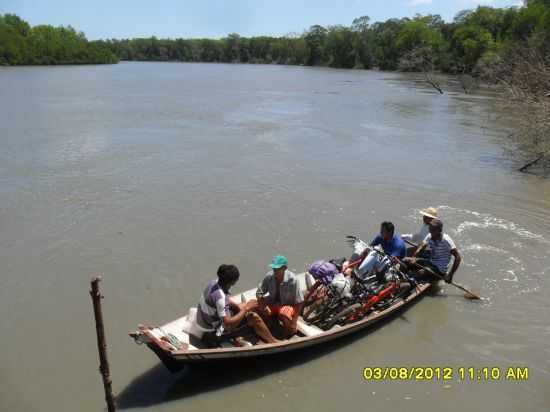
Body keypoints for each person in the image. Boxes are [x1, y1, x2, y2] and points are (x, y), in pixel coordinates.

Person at [246, 255, 305, 343]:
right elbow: (259, 293)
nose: (275, 271)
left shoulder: (293, 280)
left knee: (284, 314)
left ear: (284, 268)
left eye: (277, 269)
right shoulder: (269, 276)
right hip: (273, 302)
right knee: (252, 304)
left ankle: (286, 335)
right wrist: (262, 304)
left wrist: (294, 322)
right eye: (274, 268)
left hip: (287, 305)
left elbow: (299, 302)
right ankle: (269, 324)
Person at [196, 264, 255, 346]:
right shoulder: (221, 298)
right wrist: (246, 309)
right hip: (210, 330)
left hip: (202, 321)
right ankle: (230, 338)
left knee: (238, 311)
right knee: (251, 319)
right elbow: (227, 323)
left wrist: (238, 306)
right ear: (233, 282)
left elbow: (224, 301)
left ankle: (235, 337)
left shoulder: (213, 283)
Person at [404, 218, 462, 283]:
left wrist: (450, 275)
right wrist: (414, 257)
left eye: (433, 230)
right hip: (430, 262)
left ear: (439, 230)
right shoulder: (430, 235)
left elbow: (458, 257)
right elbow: (421, 246)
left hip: (439, 269)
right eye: (430, 229)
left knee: (421, 272)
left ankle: (412, 282)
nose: (430, 231)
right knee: (405, 260)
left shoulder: (446, 240)